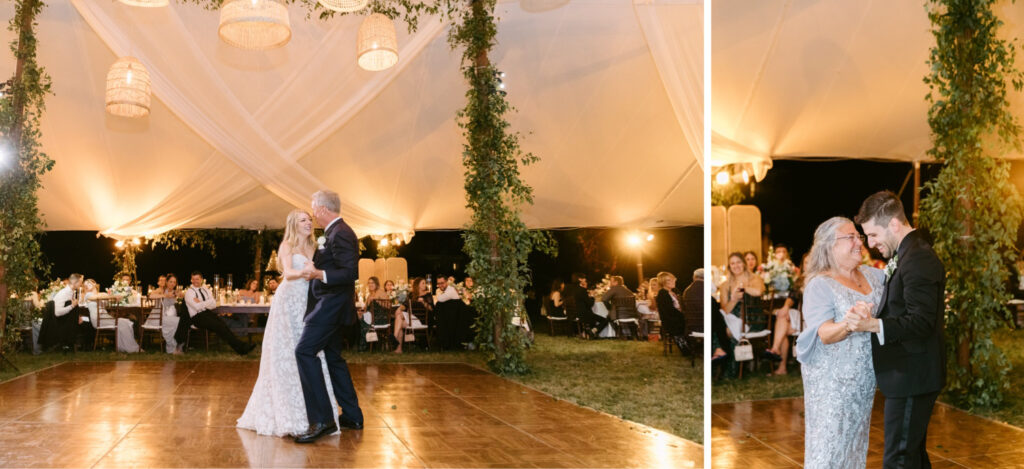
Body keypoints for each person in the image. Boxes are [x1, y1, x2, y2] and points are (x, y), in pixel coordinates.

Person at [846, 191, 946, 469]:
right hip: (909, 373)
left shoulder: (918, 258)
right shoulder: (908, 254)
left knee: (899, 459)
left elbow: (922, 321)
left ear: (893, 224)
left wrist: (872, 324)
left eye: (873, 235)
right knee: (911, 456)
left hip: (913, 374)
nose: (871, 243)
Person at [238, 209, 339, 437]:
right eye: (303, 220)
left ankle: (317, 412)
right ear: (294, 224)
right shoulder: (287, 246)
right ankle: (287, 409)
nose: (308, 223)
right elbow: (288, 272)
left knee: (307, 350)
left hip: (307, 300)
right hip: (288, 299)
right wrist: (306, 272)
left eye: (309, 220)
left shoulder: (315, 247)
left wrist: (317, 274)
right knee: (286, 350)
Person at [794, 217, 884, 468]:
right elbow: (824, 333)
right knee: (829, 443)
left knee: (855, 442)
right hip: (831, 382)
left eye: (859, 237)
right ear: (829, 246)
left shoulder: (873, 275)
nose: (859, 242)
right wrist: (850, 323)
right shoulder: (820, 284)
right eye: (851, 237)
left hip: (863, 379)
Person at [292, 190, 365, 444]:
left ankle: (322, 420)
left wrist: (317, 274)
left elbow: (349, 273)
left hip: (330, 307)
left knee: (303, 352)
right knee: (334, 358)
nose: (313, 214)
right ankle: (353, 416)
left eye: (314, 209)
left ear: (323, 209)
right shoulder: (334, 233)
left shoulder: (341, 233)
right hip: (331, 306)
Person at [173, 271, 254, 356]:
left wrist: (202, 302)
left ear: (201, 280)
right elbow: (197, 307)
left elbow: (214, 304)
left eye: (197, 279)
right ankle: (241, 348)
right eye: (193, 279)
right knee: (219, 326)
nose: (195, 281)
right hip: (196, 317)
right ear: (191, 280)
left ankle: (241, 347)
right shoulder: (189, 292)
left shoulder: (205, 290)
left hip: (206, 313)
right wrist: (207, 302)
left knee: (223, 324)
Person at [82, 279, 140, 353]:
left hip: (105, 317)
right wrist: (113, 296)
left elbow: (106, 297)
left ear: (94, 283)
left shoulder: (102, 294)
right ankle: (129, 348)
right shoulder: (88, 295)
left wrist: (117, 297)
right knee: (122, 323)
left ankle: (126, 346)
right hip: (98, 320)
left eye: (89, 283)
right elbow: (98, 297)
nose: (87, 285)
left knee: (126, 322)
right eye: (85, 285)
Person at [721, 252, 766, 336]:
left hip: (753, 321)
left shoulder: (755, 278)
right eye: (732, 263)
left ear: (744, 264)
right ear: (729, 267)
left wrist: (743, 288)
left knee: (726, 331)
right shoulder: (725, 285)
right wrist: (733, 300)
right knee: (720, 328)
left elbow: (759, 292)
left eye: (739, 262)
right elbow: (724, 311)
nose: (736, 266)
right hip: (733, 320)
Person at [393, 277, 432, 354]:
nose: (425, 285)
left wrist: (424, 302)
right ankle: (398, 349)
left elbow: (431, 309)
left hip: (422, 320)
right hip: (412, 320)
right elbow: (405, 305)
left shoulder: (428, 295)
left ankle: (394, 338)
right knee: (399, 318)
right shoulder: (411, 295)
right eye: (423, 283)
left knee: (399, 321)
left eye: (425, 283)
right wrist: (399, 309)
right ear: (417, 285)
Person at [148, 273, 182, 353]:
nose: (172, 284)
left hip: (170, 315)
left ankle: (173, 347)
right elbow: (151, 296)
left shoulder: (174, 291)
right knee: (176, 323)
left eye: (174, 282)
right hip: (160, 317)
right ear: (166, 282)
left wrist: (181, 295)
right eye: (170, 282)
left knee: (177, 323)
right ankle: (172, 348)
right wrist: (165, 295)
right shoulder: (161, 290)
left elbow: (182, 295)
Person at [656, 272, 686, 352]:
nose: (673, 281)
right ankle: (685, 348)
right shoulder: (662, 293)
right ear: (663, 282)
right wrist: (683, 316)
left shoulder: (674, 291)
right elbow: (668, 311)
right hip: (671, 321)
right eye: (669, 280)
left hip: (678, 317)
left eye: (673, 279)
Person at [434, 276, 462, 350]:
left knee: (438, 306)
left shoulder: (451, 290)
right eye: (438, 284)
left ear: (446, 282)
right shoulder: (446, 290)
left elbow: (440, 299)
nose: (440, 285)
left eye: (442, 283)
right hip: (450, 316)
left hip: (455, 318)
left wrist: (438, 293)